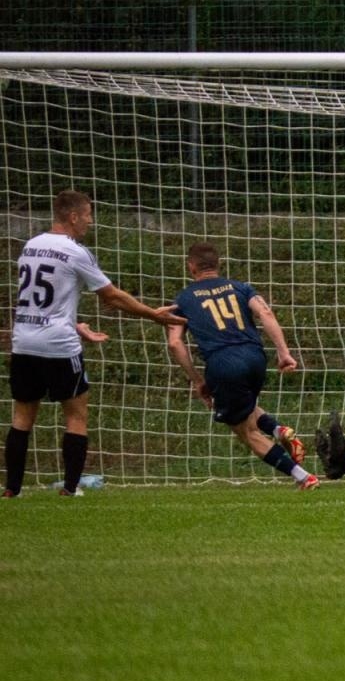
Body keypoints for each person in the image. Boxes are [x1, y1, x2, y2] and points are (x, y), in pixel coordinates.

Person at [6, 189, 185, 497]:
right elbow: (111, 296)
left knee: (22, 417)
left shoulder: (31, 245)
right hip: (59, 347)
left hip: (24, 342)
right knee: (76, 415)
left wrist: (75, 325)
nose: (91, 221)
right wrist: (153, 315)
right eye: (88, 215)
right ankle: (70, 489)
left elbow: (39, 302)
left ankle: (12, 490)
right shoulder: (76, 251)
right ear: (73, 216)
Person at [165, 242, 317, 489]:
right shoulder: (240, 287)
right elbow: (265, 313)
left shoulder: (182, 299)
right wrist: (283, 353)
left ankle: (303, 477)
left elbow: (174, 343)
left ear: (191, 267)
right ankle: (279, 430)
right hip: (255, 357)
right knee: (246, 406)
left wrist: (197, 380)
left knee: (246, 432)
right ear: (218, 264)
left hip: (223, 362)